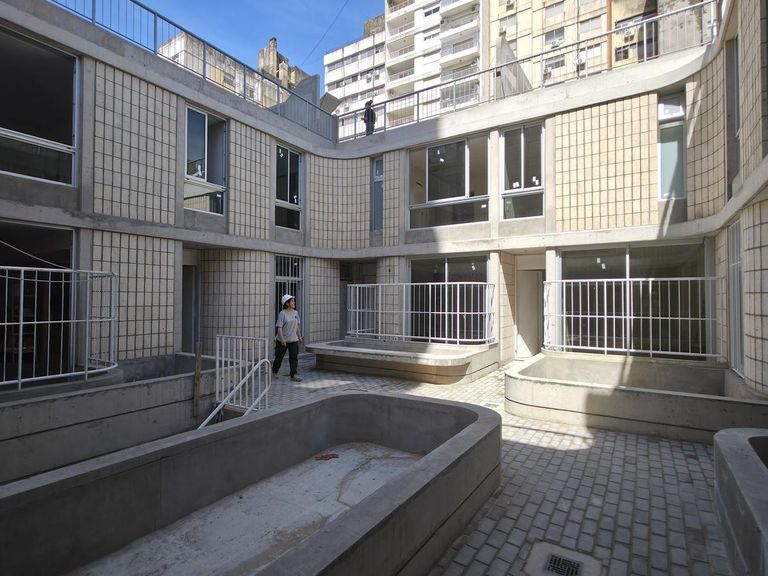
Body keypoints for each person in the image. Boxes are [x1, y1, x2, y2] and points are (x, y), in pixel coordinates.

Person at [273, 294, 303, 381]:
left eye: (294, 301)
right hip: (282, 340)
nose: (294, 303)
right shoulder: (282, 313)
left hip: (293, 339)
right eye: (292, 301)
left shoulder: (296, 313)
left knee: (294, 358)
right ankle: (274, 371)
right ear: (287, 303)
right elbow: (279, 327)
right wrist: (282, 339)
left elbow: (297, 326)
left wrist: (299, 337)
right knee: (279, 357)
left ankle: (293, 375)